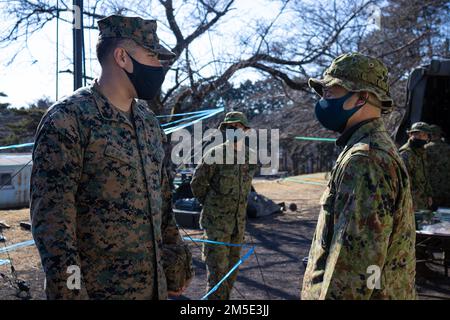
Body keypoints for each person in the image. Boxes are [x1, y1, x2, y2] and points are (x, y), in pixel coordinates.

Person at [30, 15, 192, 300]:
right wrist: (71, 293)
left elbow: (163, 201)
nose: (160, 66)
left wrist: (176, 260)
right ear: (122, 57)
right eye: (152, 55)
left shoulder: (149, 123)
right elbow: (54, 226)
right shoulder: (68, 120)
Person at [301, 52, 416, 300]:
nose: (324, 99)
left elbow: (353, 271)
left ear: (361, 97)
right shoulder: (370, 148)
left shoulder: (366, 159)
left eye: (332, 91)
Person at [190, 112, 258, 300]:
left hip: (238, 227)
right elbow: (197, 184)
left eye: (237, 127)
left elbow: (245, 189)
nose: (233, 130)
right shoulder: (214, 153)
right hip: (216, 227)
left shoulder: (251, 157)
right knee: (217, 278)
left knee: (231, 275)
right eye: (229, 127)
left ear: (246, 131)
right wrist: (213, 207)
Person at [399, 122, 433, 211]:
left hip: (422, 201)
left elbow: (425, 175)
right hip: (411, 203)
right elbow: (403, 182)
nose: (421, 137)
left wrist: (428, 195)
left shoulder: (421, 151)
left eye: (424, 135)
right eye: (417, 134)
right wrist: (410, 202)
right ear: (410, 134)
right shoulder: (406, 153)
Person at [425, 124, 450, 208]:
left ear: (430, 134)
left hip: (432, 189)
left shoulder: (425, 148)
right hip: (446, 188)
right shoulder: (448, 148)